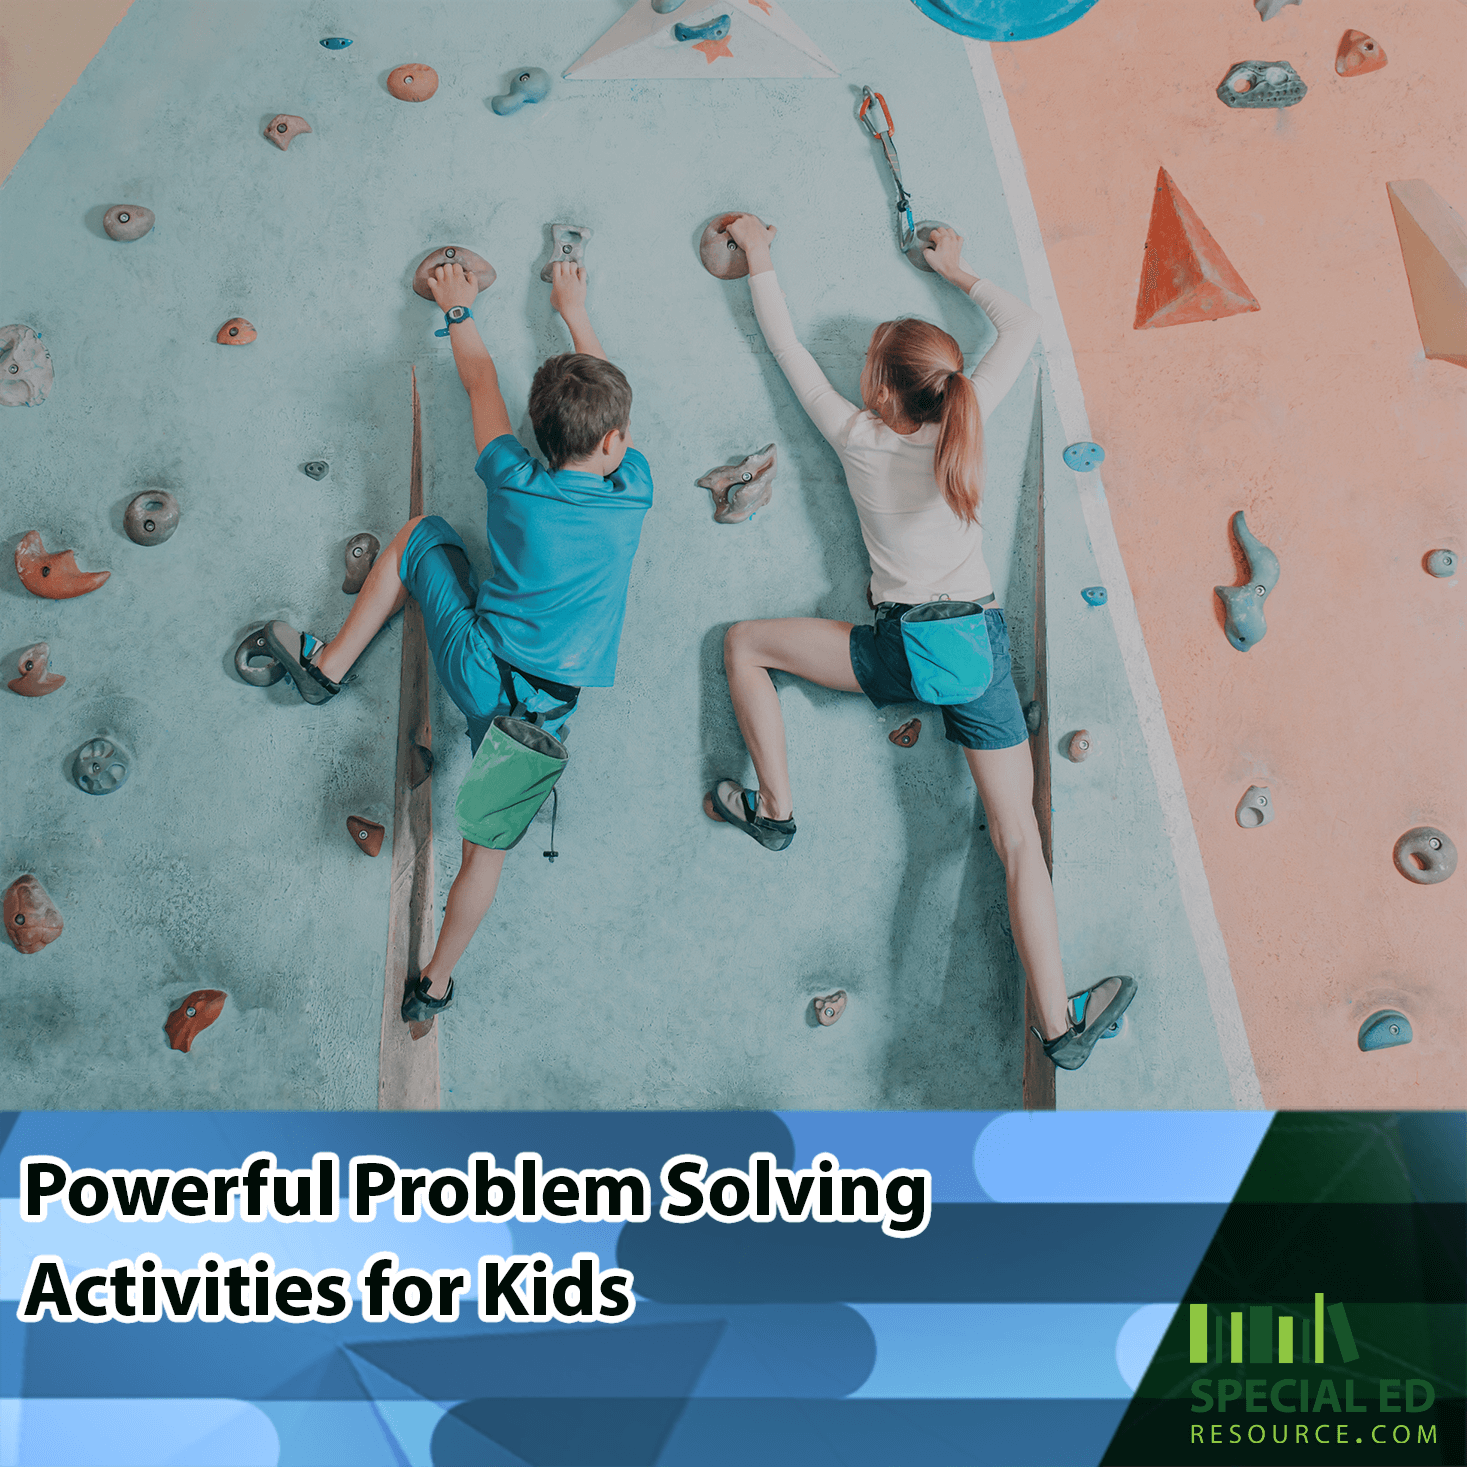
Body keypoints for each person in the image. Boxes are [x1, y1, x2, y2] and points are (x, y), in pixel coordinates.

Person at [705, 213, 1134, 1071]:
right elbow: (1024, 327)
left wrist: (758, 253)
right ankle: (1059, 1025)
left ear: (879, 391)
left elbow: (783, 346)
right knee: (1017, 837)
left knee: (745, 643)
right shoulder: (968, 421)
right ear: (946, 384)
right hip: (973, 655)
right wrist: (958, 270)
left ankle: (777, 810)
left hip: (896, 654)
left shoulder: (857, 438)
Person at [259, 258, 653, 1026]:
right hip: (540, 717)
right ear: (614, 441)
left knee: (421, 535)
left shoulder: (511, 474)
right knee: (486, 857)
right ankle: (432, 982)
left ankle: (328, 666)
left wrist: (459, 308)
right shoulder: (631, 490)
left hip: (477, 667)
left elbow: (480, 387)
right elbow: (616, 409)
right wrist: (574, 307)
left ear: (537, 436)